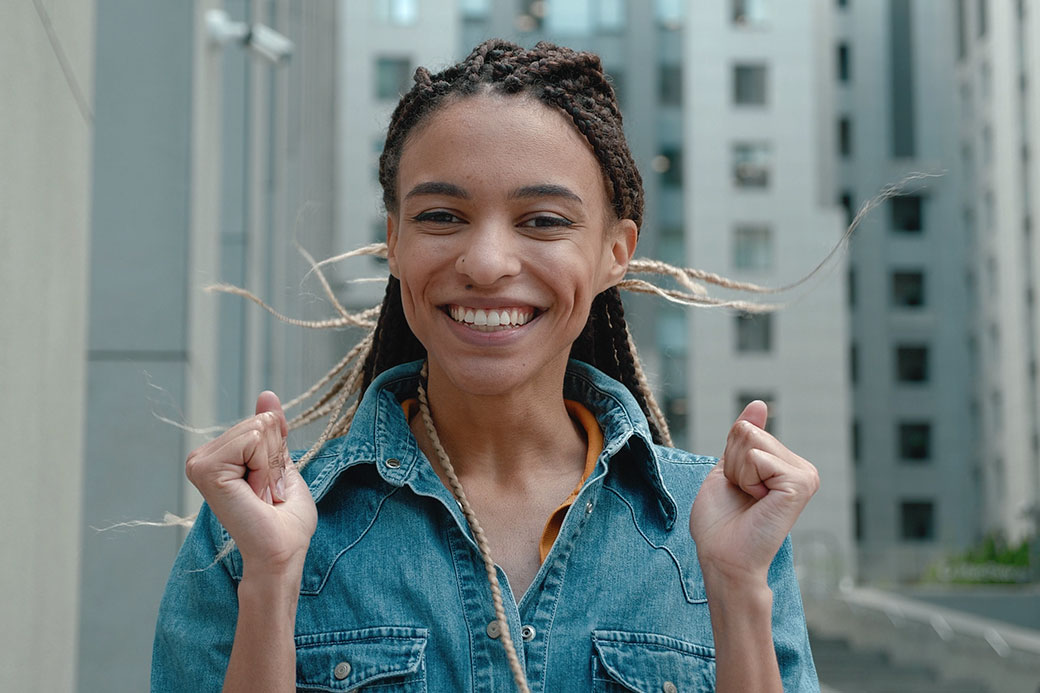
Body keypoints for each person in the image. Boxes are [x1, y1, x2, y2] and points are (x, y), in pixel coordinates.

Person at [152, 39, 821, 692]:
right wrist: (272, 580)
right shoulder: (257, 527)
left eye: (543, 221)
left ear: (615, 252)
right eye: (442, 215)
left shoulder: (724, 530)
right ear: (394, 239)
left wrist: (736, 589)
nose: (487, 262)